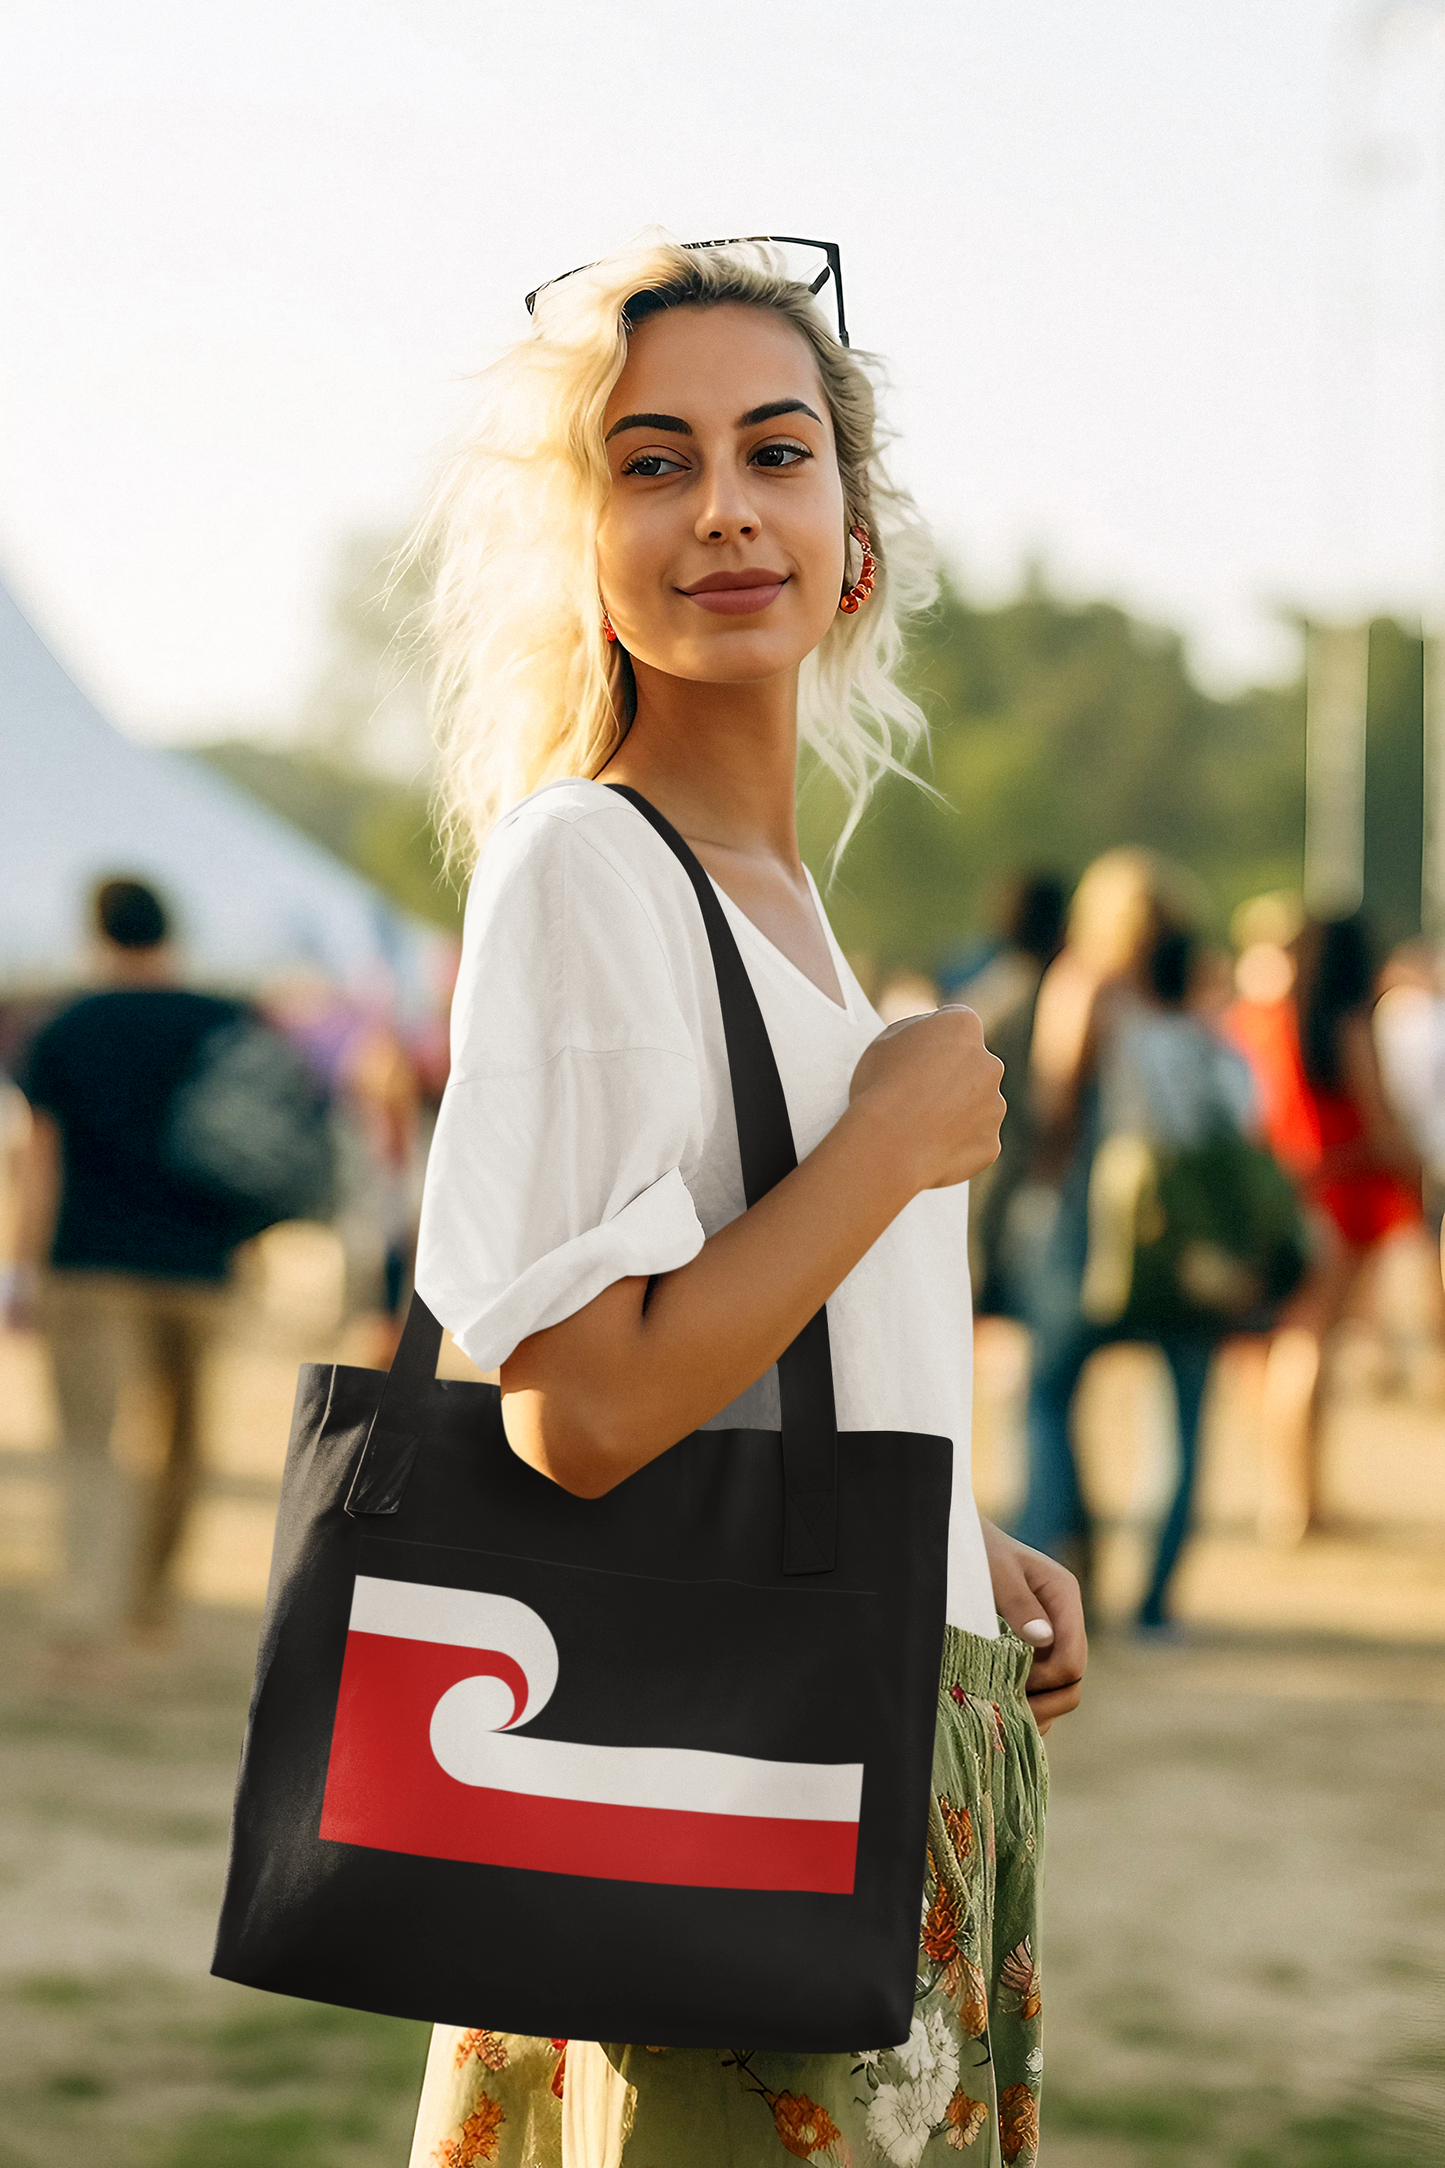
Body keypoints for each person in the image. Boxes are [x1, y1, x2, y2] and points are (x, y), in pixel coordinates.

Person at [402, 238, 1085, 2168]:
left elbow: (760, 1335)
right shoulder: (588, 865)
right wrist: (886, 1142)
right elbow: (585, 1407)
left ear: (854, 536)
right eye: (650, 461)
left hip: (896, 1733)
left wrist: (958, 1528)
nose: (724, 507)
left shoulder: (787, 906)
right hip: (717, 1780)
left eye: (776, 453)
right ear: (584, 543)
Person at [10, 879, 260, 1646]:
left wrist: (20, 1266)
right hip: (202, 1262)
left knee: (94, 1439)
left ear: (98, 934)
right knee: (185, 1439)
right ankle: (154, 1605)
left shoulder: (66, 1029)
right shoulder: (224, 1021)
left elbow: (38, 1160)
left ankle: (90, 1607)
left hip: (90, 1261)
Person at [1012, 851, 1241, 1628]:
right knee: (1182, 1420)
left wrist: (1034, 1203)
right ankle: (1154, 1604)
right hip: (1192, 1243)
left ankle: (1052, 1571)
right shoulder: (1200, 1005)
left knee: (1047, 1395)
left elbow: (1056, 1105)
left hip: (1093, 1226)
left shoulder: (1087, 986)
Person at [1227, 912, 1423, 1542]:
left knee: (1298, 1343)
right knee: (1311, 1346)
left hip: (1296, 1189)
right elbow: (1379, 1115)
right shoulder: (1347, 1022)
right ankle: (1295, 1503)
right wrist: (1418, 1166)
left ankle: (1299, 1496)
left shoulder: (1271, 1019)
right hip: (1344, 1193)